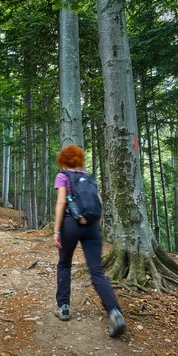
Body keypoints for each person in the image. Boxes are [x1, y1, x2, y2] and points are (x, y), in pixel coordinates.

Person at [52, 144, 126, 338]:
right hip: (92, 226)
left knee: (64, 264)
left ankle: (64, 307)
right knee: (97, 272)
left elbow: (61, 202)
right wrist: (96, 225)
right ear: (78, 159)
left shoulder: (63, 176)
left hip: (70, 224)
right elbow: (99, 203)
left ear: (63, 161)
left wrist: (56, 230)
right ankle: (114, 313)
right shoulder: (90, 178)